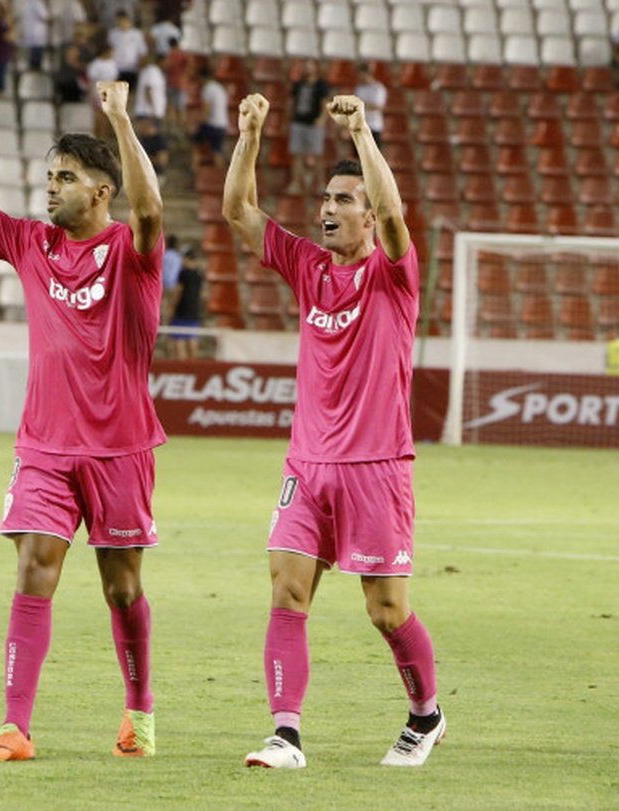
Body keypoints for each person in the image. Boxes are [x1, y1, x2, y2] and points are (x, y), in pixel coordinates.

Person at [0, 80, 166, 762]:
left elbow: (149, 208)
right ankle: (15, 725)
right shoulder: (31, 243)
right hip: (45, 445)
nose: (50, 188)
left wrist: (119, 118)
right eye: (48, 176)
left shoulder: (131, 250)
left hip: (121, 447)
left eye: (65, 178)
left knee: (122, 588)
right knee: (35, 566)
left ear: (100, 192)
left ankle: (139, 709)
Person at [222, 93, 444, 769]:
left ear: (369, 216)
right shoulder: (307, 267)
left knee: (385, 610)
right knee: (287, 590)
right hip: (307, 465)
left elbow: (399, 213)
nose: (326, 208)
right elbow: (238, 211)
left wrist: (363, 131)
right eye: (325, 197)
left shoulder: (393, 273)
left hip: (377, 466)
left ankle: (426, 715)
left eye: (344, 199)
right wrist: (251, 134)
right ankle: (285, 734)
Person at [286, 60, 329, 194]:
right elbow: (291, 102)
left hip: (313, 124)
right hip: (298, 122)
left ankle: (321, 184)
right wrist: (288, 118)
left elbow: (325, 103)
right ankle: (296, 183)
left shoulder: (321, 85)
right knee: (297, 155)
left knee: (317, 155)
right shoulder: (298, 84)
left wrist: (322, 118)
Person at [133, 52, 168, 185]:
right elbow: (148, 90)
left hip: (151, 113)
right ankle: (151, 174)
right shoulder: (152, 71)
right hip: (148, 113)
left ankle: (151, 174)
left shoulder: (152, 72)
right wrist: (152, 111)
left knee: (152, 144)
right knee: (150, 143)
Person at [168, 246, 202, 360]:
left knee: (180, 340)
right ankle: (194, 367)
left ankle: (182, 367)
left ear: (187, 259)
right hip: (194, 311)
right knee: (193, 339)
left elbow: (178, 292)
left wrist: (172, 308)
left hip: (182, 310)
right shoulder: (198, 275)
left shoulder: (183, 274)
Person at [191, 63, 227, 170]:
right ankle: (222, 179)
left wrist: (197, 124)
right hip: (222, 125)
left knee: (195, 143)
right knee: (217, 151)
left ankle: (195, 170)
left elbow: (206, 110)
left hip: (212, 125)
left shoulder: (208, 89)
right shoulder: (220, 88)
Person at [107, 11, 148, 91]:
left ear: (128, 20)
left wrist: (140, 67)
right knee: (117, 92)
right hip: (117, 67)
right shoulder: (113, 33)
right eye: (118, 20)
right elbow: (110, 49)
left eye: (122, 20)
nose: (120, 23)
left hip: (131, 67)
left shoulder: (136, 34)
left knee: (130, 90)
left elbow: (142, 51)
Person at [354, 63, 386, 150]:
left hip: (374, 126)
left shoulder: (378, 88)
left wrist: (363, 105)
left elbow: (379, 107)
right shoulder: (359, 88)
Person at [20, 0, 51, 72]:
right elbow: (45, 17)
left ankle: (33, 67)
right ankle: (36, 69)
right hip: (38, 36)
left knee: (32, 57)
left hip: (30, 34)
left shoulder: (27, 4)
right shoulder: (38, 4)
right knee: (37, 61)